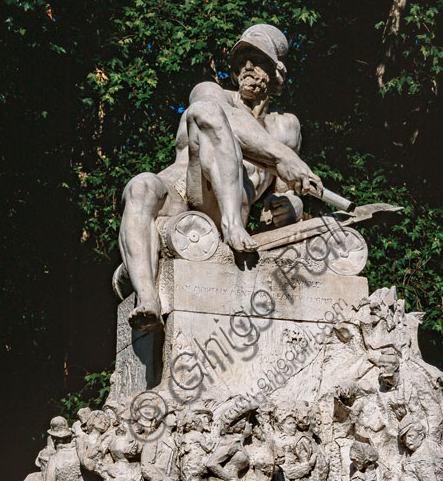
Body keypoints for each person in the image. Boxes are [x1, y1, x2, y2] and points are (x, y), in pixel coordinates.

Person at [118, 23, 334, 332]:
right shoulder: (210, 92)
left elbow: (286, 191)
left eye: (257, 59)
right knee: (140, 185)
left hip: (224, 203)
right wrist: (284, 158)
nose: (246, 66)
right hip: (181, 191)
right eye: (241, 60)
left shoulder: (286, 127)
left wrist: (291, 208)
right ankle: (148, 301)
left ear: (276, 72)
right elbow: (217, 114)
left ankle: (232, 225)